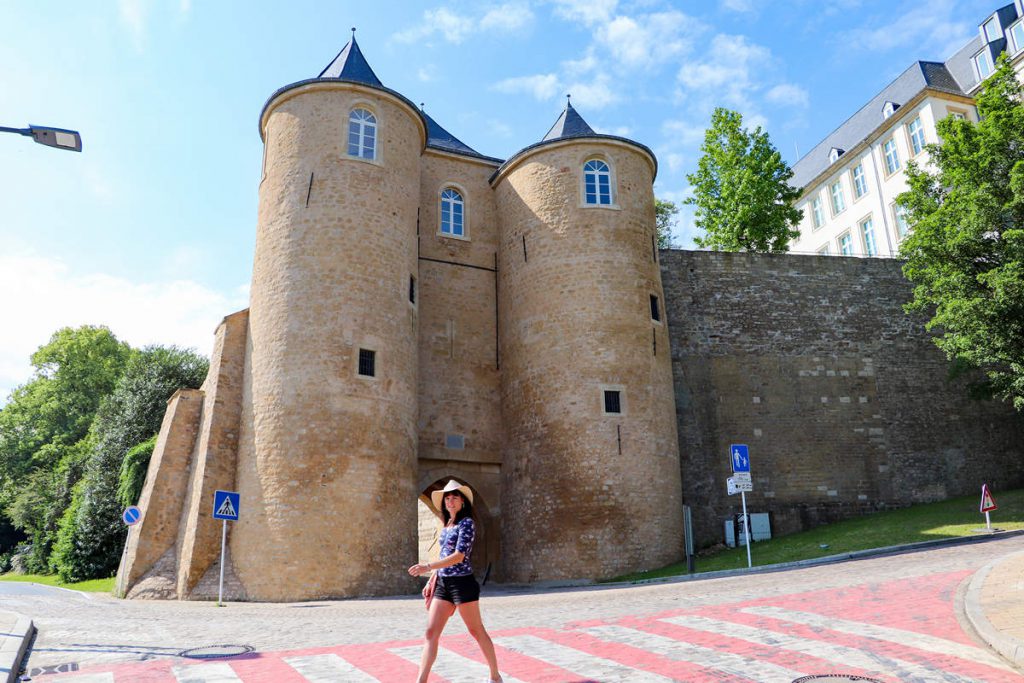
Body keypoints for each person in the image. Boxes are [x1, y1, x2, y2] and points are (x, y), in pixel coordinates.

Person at [408, 480, 503, 683]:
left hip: (462, 584)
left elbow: (459, 555)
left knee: (476, 631)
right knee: (431, 632)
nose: (450, 501)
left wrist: (427, 567)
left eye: (454, 497)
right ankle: (421, 681)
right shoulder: (447, 524)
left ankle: (495, 676)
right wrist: (433, 578)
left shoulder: (467, 523)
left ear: (462, 501)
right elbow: (444, 552)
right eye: (447, 498)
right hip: (444, 584)